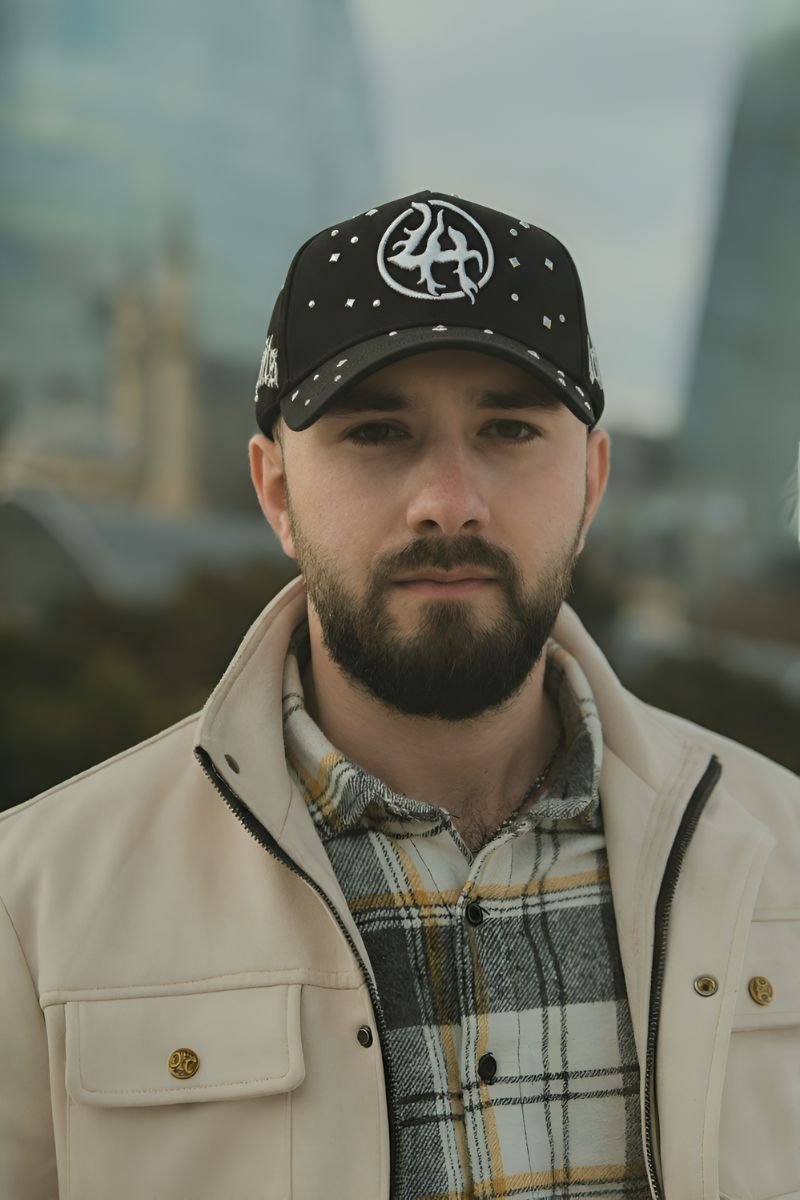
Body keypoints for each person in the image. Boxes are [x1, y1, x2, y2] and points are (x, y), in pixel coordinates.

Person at [0, 190, 797, 1200]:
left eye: (507, 430)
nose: (447, 502)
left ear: (592, 484)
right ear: (276, 490)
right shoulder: (32, 914)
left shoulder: (780, 862)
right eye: (377, 433)